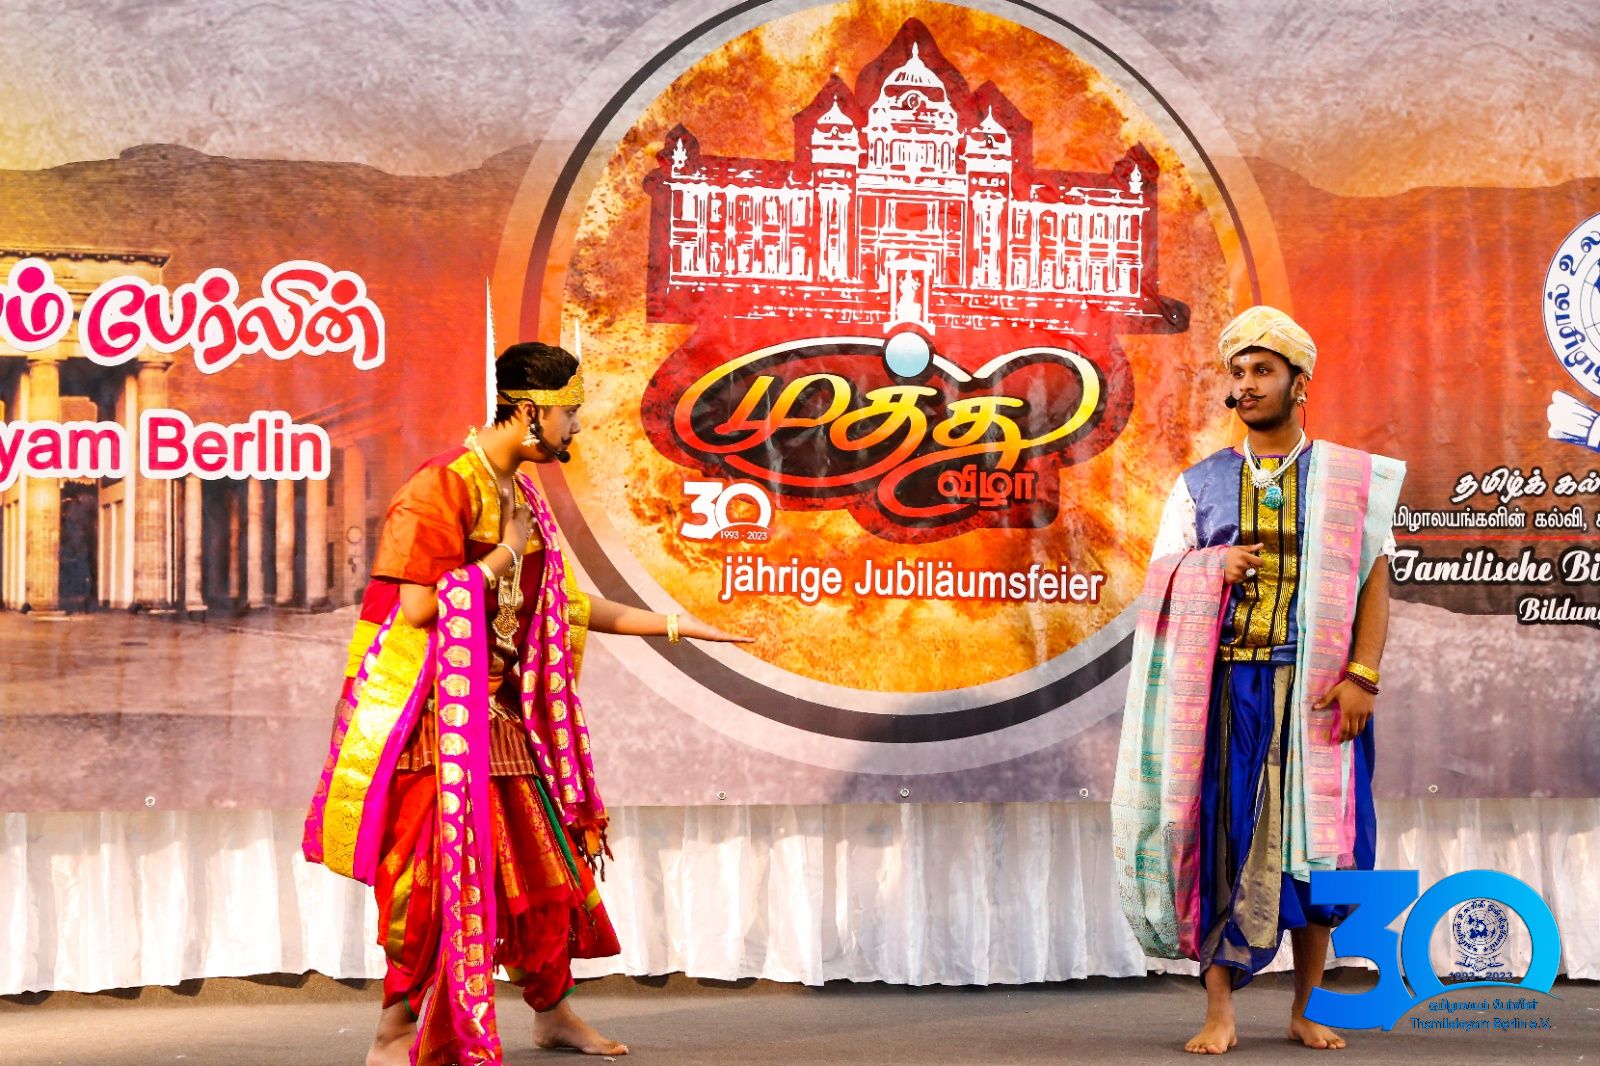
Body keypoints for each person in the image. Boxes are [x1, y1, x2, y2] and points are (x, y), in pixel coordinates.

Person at [302, 342, 748, 1065]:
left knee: (544, 872)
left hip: (502, 718)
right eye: (570, 412)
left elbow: (561, 606)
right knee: (432, 885)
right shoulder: (440, 487)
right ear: (531, 411)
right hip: (434, 724)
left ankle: (553, 1013)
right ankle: (394, 1032)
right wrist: (503, 555)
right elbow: (416, 608)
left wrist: (678, 626)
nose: (577, 426)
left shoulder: (524, 497)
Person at [1112, 306, 1405, 1054]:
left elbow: (1374, 581)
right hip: (1226, 695)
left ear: (1299, 383)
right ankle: (1220, 1012)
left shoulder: (1349, 481)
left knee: (1320, 852)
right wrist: (1213, 566)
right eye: (1238, 372)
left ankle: (1307, 1007)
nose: (1246, 385)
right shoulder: (1201, 485)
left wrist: (1363, 677)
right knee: (1223, 842)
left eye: (1262, 371)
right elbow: (1158, 583)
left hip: (1319, 694)